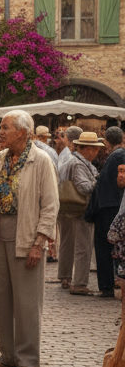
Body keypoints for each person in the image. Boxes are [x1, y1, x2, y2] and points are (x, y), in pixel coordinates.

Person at [0, 110, 59, 367]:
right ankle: (8, 356)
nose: (0, 132)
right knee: (2, 300)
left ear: (23, 132)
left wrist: (39, 242)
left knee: (27, 302)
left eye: (5, 127)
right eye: (1, 127)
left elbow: (50, 205)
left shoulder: (41, 160)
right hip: (0, 233)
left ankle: (28, 359)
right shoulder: (1, 158)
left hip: (26, 234)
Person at [62, 131, 103, 295]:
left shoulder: (78, 161)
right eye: (94, 149)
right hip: (82, 208)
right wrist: (99, 182)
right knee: (83, 247)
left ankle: (71, 278)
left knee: (78, 245)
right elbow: (83, 187)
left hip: (78, 208)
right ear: (86, 149)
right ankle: (79, 283)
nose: (96, 152)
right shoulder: (78, 163)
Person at [93, 126, 125, 298]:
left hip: (109, 208)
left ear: (106, 141)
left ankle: (107, 285)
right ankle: (111, 283)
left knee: (105, 247)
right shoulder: (119, 156)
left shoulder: (116, 156)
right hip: (113, 206)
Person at [56, 126, 85, 289]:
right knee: (69, 240)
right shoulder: (70, 156)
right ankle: (66, 275)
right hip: (70, 202)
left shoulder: (66, 154)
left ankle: (65, 274)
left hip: (64, 201)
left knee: (67, 239)